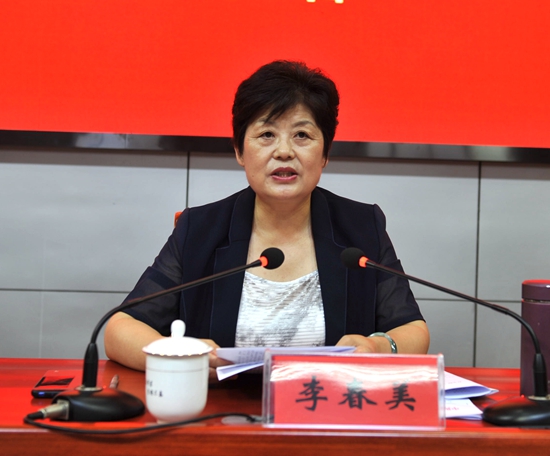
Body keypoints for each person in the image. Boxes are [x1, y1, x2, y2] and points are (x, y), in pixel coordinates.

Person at [104, 60, 429, 380]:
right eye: (267, 134)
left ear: (325, 153)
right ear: (239, 151)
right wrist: (185, 357)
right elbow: (120, 329)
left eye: (302, 135)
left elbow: (412, 329)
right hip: (222, 408)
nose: (284, 151)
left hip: (329, 407)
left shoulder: (361, 227)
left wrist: (379, 347)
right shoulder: (200, 230)